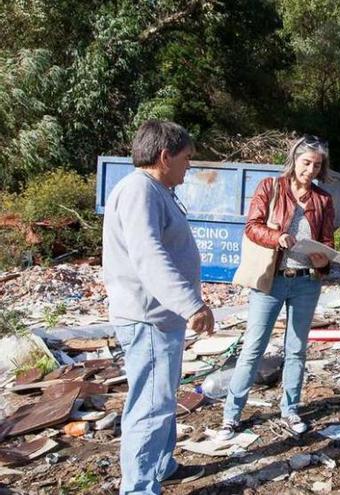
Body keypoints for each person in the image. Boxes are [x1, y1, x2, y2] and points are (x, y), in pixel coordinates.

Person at [103, 120, 214, 494]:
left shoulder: (155, 189)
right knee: (150, 405)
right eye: (186, 159)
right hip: (148, 317)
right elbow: (149, 255)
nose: (189, 167)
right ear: (164, 157)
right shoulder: (140, 191)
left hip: (159, 317)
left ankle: (161, 466)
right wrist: (191, 304)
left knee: (161, 398)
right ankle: (138, 488)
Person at [217, 134, 335, 439]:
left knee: (296, 350)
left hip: (307, 282)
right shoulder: (270, 188)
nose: (310, 169)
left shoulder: (324, 199)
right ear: (294, 160)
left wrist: (324, 261)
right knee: (254, 348)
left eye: (316, 165)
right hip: (272, 280)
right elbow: (252, 226)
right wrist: (277, 237)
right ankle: (231, 415)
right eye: (306, 162)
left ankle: (291, 409)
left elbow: (328, 242)